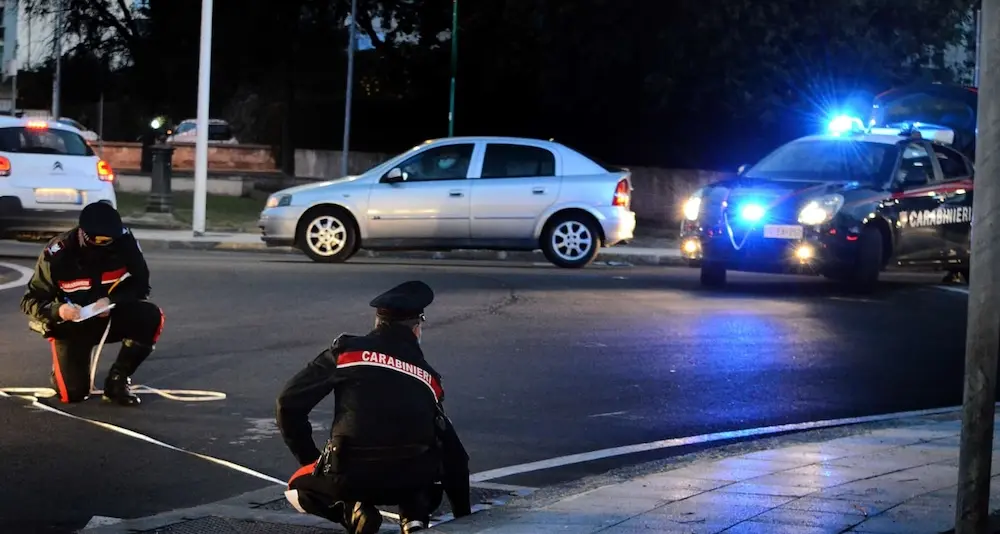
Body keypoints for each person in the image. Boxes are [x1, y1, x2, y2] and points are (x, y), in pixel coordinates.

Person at [276, 280, 471, 534]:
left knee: (297, 486)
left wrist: (311, 460)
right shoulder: (428, 378)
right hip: (410, 481)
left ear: (377, 323)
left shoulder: (345, 354)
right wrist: (464, 518)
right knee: (422, 458)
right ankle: (414, 519)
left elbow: (288, 404)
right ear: (416, 329)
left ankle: (351, 510)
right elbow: (455, 455)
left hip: (350, 478)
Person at [19, 201, 164, 406]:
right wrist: (59, 310)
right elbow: (30, 300)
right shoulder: (58, 254)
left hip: (108, 314)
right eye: (101, 240)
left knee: (150, 317)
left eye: (111, 239)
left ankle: (118, 380)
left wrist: (111, 301)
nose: (107, 244)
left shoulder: (125, 243)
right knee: (74, 394)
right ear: (84, 235)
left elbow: (141, 287)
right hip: (71, 322)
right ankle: (62, 366)